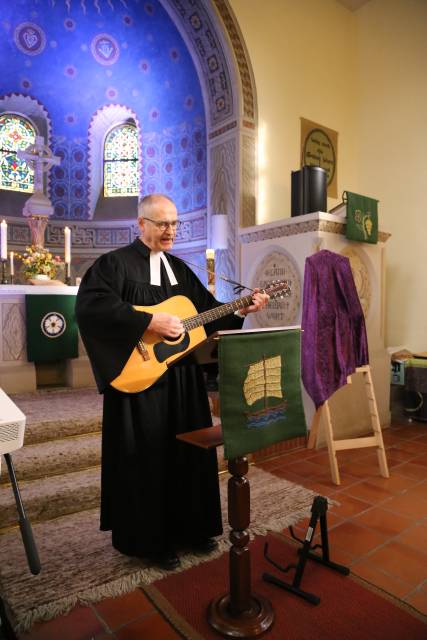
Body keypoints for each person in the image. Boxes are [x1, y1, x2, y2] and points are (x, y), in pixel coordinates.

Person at [75, 194, 269, 570]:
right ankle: (151, 541)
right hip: (140, 385)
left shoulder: (180, 270)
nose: (170, 231)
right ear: (141, 223)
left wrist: (240, 309)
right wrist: (146, 321)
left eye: (174, 224)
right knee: (147, 458)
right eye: (162, 223)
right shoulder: (112, 266)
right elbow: (91, 308)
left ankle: (193, 529)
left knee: (188, 454)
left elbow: (208, 317)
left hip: (182, 381)